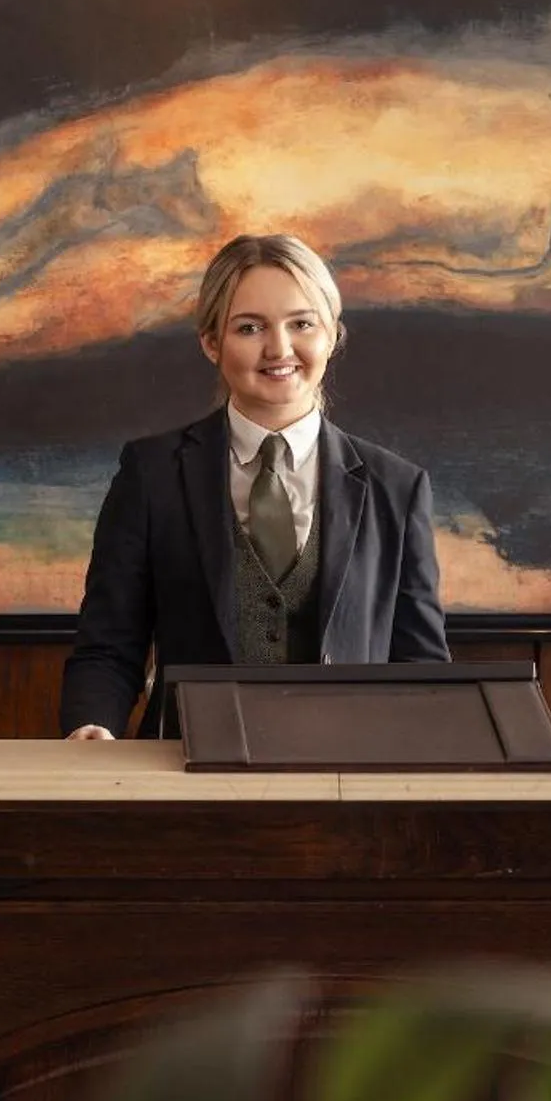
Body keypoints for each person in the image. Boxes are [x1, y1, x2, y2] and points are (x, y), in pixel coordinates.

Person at [60, 233, 448, 740]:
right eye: (250, 327)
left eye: (302, 324)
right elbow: (108, 645)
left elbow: (423, 669)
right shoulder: (151, 473)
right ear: (211, 342)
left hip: (349, 783)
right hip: (186, 779)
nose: (279, 349)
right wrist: (91, 726)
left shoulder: (397, 487)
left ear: (331, 336)